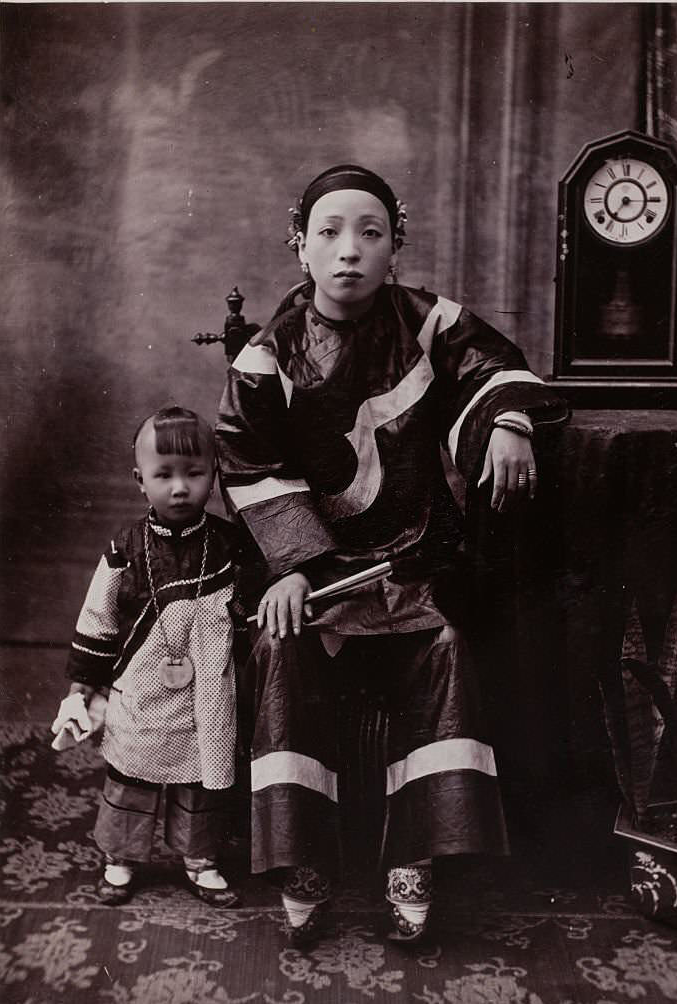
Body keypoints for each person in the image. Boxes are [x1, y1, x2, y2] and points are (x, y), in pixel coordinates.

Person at [215, 165, 569, 944]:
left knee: (443, 646)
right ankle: (303, 861)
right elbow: (249, 466)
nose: (350, 251)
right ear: (298, 245)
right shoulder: (267, 356)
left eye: (370, 233)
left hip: (411, 562)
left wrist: (507, 422)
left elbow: (494, 371)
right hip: (314, 571)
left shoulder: (429, 321)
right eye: (330, 233)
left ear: (395, 245)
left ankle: (416, 858)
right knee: (282, 650)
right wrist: (296, 569)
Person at [51, 406, 244, 907]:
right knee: (132, 775)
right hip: (142, 689)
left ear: (214, 474)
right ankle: (121, 856)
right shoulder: (124, 548)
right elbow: (99, 618)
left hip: (209, 695)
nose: (180, 488)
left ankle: (201, 859)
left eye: (194, 473)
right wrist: (82, 687)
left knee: (203, 777)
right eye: (164, 475)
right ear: (140, 481)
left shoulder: (229, 546)